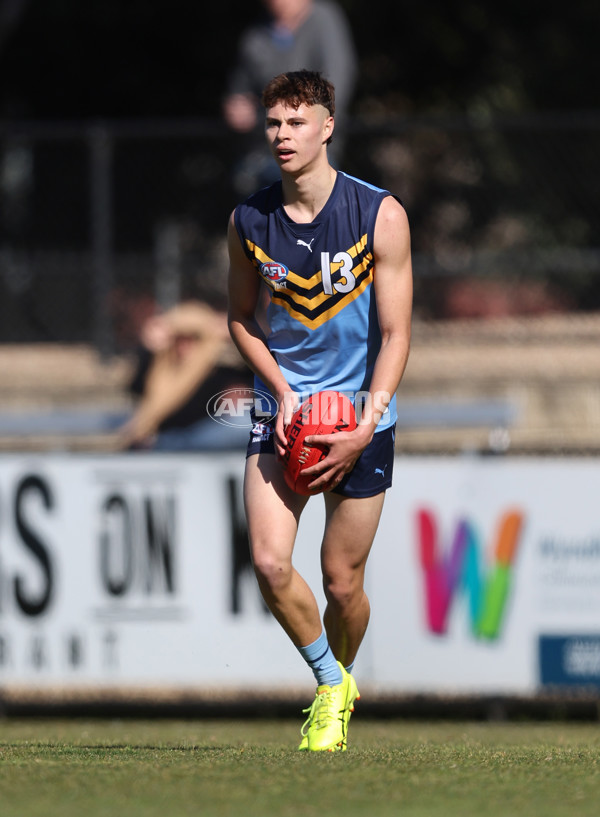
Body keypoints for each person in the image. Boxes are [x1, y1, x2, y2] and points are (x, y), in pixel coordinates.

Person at [227, 70, 413, 751]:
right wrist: (280, 389)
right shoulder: (249, 220)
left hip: (363, 420)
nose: (281, 135)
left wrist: (367, 420)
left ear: (327, 127)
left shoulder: (378, 214)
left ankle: (344, 672)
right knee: (271, 563)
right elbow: (240, 317)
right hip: (284, 414)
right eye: (274, 123)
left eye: (296, 122)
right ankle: (330, 684)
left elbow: (395, 333)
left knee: (342, 582)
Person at [223, 0, 357, 195]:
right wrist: (237, 108)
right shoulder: (256, 34)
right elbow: (239, 90)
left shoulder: (324, 20)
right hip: (259, 153)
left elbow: (337, 84)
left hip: (314, 152)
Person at [119, 300, 251, 451]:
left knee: (244, 421)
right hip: (169, 437)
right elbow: (137, 389)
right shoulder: (163, 366)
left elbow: (250, 372)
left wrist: (235, 334)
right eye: (179, 337)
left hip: (200, 438)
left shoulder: (219, 368)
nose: (184, 344)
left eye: (193, 337)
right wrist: (148, 347)